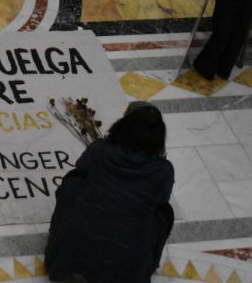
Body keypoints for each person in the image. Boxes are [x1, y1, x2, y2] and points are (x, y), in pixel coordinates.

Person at [45, 101, 174, 283]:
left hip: (83, 236)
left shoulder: (100, 149)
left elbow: (81, 167)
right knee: (164, 213)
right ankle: (145, 262)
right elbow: (161, 198)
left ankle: (60, 245)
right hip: (130, 249)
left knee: (72, 184)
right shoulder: (164, 170)